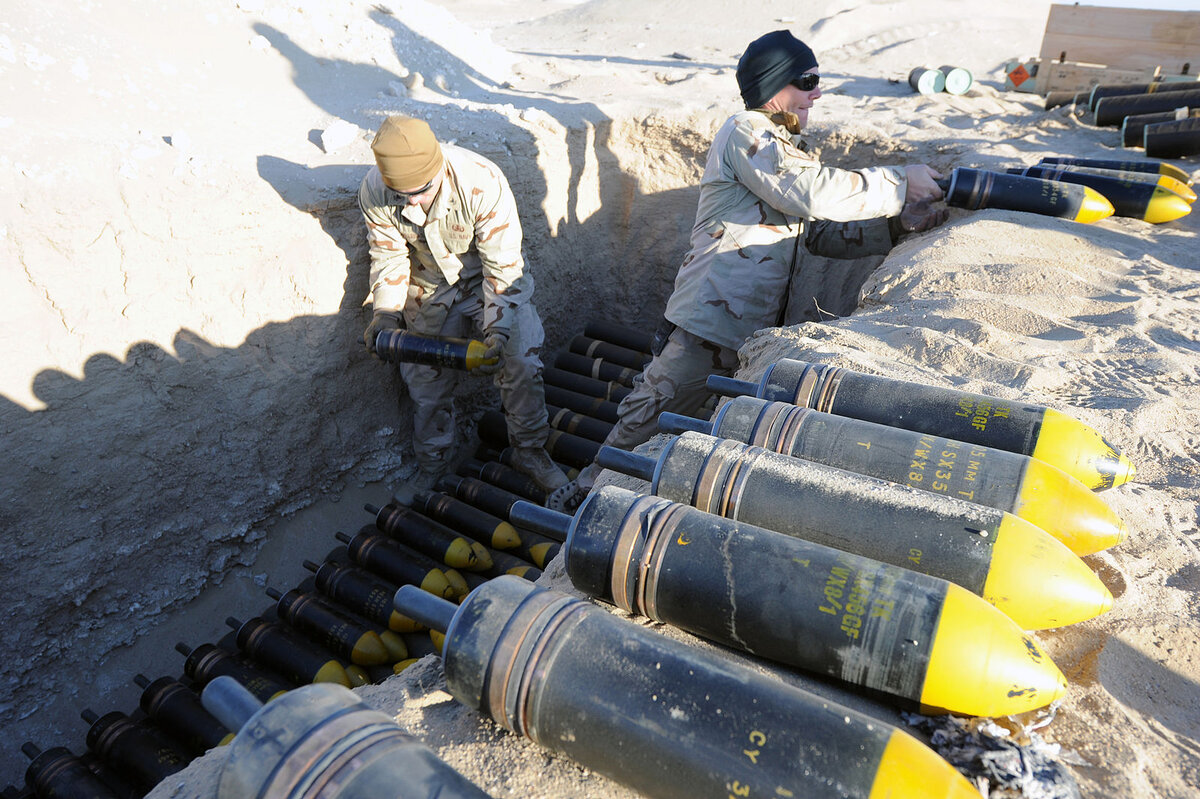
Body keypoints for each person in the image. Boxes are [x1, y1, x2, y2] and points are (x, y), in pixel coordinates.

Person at [547, 29, 947, 510]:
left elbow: (813, 233)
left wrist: (896, 227)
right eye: (807, 80)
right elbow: (811, 193)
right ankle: (583, 501)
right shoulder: (747, 132)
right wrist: (900, 183)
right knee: (647, 418)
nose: (816, 94)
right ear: (773, 85)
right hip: (708, 326)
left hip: (749, 331)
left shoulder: (782, 149)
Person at [359, 115, 567, 495]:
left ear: (437, 168)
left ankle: (529, 451)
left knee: (520, 360)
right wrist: (385, 314)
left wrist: (498, 331)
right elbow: (389, 257)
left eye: (421, 191)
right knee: (425, 384)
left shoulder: (482, 183)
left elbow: (502, 269)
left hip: (486, 282)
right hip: (428, 287)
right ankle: (434, 463)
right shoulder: (375, 190)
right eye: (402, 195)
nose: (413, 203)